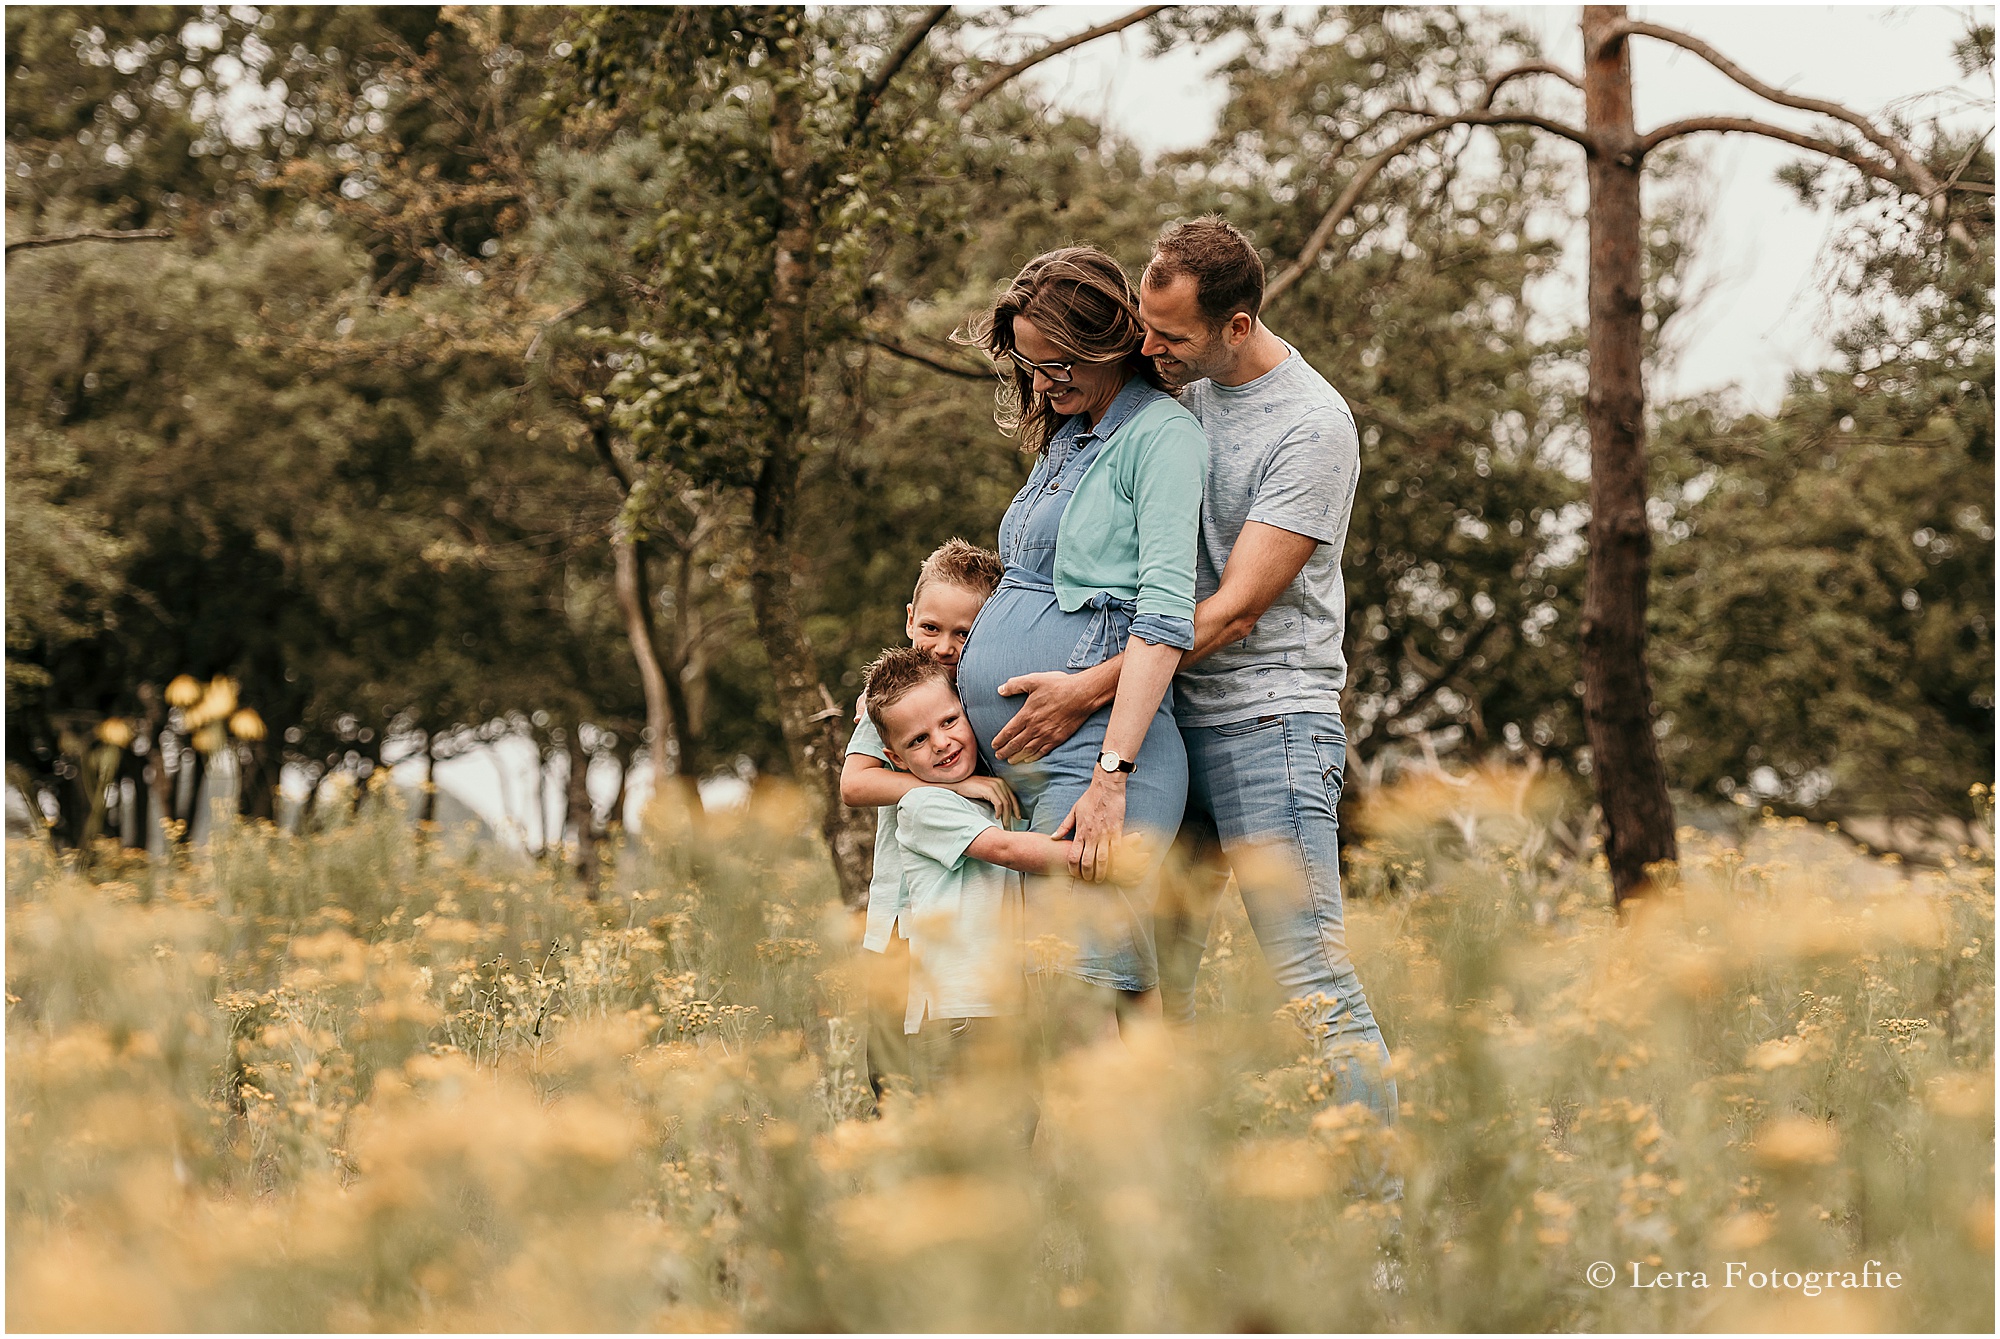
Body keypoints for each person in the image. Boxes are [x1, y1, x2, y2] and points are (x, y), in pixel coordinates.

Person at [989, 217, 1396, 1124]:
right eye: (1144, 320)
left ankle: (1381, 1230)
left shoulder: (1310, 426)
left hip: (1265, 726)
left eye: (1170, 335)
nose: (1148, 345)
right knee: (1153, 987)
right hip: (1163, 730)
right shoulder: (1177, 389)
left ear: (1238, 325)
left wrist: (1086, 691)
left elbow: (1238, 606)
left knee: (1310, 975)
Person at [953, 245, 1207, 1041]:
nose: (1042, 383)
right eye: (1029, 366)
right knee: (1074, 1003)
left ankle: (1114, 1163)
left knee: (1080, 1004)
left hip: (1095, 761)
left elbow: (1167, 616)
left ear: (1110, 345)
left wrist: (1111, 776)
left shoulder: (1162, 437)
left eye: (1058, 365)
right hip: (1030, 767)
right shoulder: (1070, 434)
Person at [861, 647, 1089, 1088]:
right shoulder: (921, 805)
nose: (941, 743)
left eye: (949, 722)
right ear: (897, 761)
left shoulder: (988, 794)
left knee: (1015, 1127)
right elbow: (1005, 849)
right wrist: (1090, 860)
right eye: (918, 740)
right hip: (955, 1008)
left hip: (1001, 999)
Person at [840, 540, 1012, 1105]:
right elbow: (856, 783)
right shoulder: (899, 698)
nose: (944, 647)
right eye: (932, 628)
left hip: (970, 925)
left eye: (964, 633)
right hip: (903, 913)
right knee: (894, 1072)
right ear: (910, 619)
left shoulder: (979, 694)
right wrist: (956, 784)